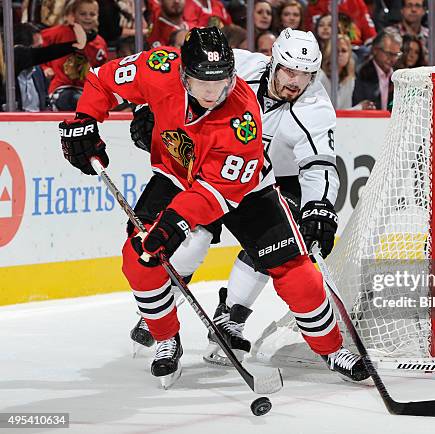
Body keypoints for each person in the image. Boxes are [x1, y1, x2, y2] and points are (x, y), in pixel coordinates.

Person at [60, 26, 369, 387]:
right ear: (182, 74)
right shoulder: (159, 67)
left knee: (296, 271)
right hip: (176, 176)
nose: (212, 94)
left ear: (232, 75)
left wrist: (176, 220)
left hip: (245, 187)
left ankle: (331, 348)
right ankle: (164, 337)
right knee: (140, 259)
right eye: (202, 84)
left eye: (221, 84)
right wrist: (85, 120)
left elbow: (217, 193)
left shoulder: (243, 119)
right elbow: (100, 80)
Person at [1, 22, 86, 111]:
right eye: (39, 48)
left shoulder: (38, 72)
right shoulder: (5, 75)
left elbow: (45, 104)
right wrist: (75, 45)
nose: (42, 53)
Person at [41, 0, 108, 111]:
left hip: (86, 90)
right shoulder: (60, 33)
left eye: (92, 14)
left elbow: (102, 71)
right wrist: (44, 68)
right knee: (75, 100)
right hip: (60, 89)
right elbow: (37, 46)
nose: (88, 17)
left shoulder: (99, 43)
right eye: (83, 14)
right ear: (73, 15)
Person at [317, 34, 375, 109]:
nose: (340, 54)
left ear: (349, 55)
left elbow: (344, 113)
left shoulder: (350, 80)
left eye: (344, 51)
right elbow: (331, 113)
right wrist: (359, 108)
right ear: (329, 53)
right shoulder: (320, 77)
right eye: (336, 51)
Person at [352, 27, 402, 110]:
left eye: (396, 54)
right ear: (375, 50)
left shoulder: (399, 76)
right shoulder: (360, 73)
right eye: (389, 53)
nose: (392, 59)